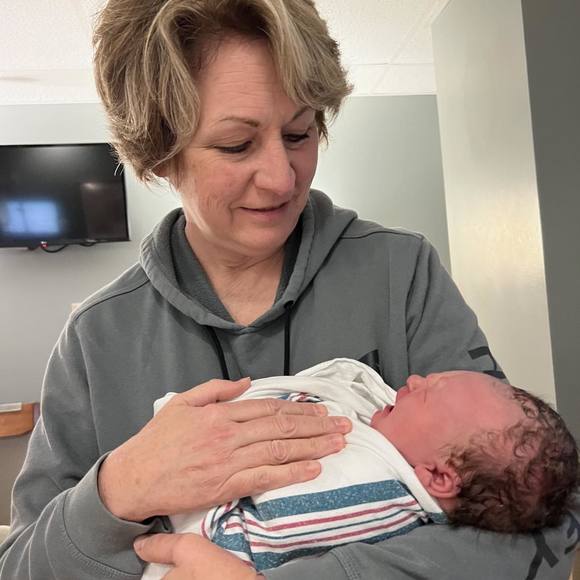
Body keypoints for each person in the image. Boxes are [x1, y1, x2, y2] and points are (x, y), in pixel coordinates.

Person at [0, 0, 577, 579]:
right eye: (236, 145)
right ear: (161, 157)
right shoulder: (96, 337)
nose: (282, 178)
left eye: (299, 134)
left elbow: (544, 517)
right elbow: (23, 568)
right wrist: (118, 489)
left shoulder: (400, 273)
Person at [142, 358, 579, 578]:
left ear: (438, 476)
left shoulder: (371, 493)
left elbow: (249, 539)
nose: (414, 380)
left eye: (428, 393)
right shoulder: (395, 448)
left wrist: (178, 526)